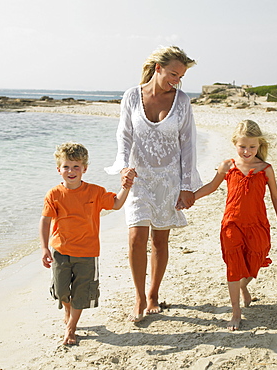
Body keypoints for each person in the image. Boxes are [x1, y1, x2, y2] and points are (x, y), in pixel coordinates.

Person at [105, 46, 202, 322]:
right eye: (173, 73)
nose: (177, 80)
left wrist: (186, 185)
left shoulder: (182, 101)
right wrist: (123, 167)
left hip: (169, 179)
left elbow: (188, 145)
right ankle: (138, 296)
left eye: (181, 76)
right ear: (158, 68)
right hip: (139, 178)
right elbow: (124, 136)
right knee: (136, 238)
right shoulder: (131, 96)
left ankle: (153, 295)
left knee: (160, 239)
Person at [193, 120, 277, 331]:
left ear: (259, 145)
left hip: (257, 225)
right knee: (234, 267)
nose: (247, 151)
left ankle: (243, 286)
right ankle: (236, 312)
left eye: (252, 147)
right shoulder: (228, 166)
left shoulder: (265, 169)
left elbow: (275, 197)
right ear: (235, 144)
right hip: (231, 224)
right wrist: (191, 198)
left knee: (256, 262)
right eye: (242, 146)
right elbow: (210, 187)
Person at [40, 142, 136, 344]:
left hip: (87, 253)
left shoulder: (95, 192)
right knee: (61, 291)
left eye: (76, 166)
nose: (71, 171)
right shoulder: (54, 194)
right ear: (59, 169)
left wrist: (125, 187)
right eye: (66, 166)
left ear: (85, 168)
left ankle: (71, 328)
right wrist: (44, 248)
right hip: (60, 250)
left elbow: (116, 204)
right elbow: (46, 220)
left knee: (82, 292)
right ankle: (68, 311)